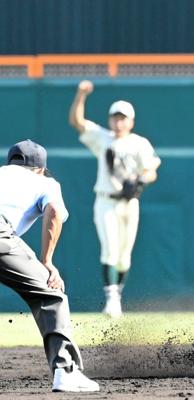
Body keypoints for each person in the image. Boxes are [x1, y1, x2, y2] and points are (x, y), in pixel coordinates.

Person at [0, 140, 100, 392]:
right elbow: (54, 211)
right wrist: (47, 262)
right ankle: (66, 371)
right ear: (40, 168)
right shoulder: (45, 182)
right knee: (51, 294)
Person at [69, 80, 161, 318]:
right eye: (115, 117)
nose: (119, 122)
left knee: (124, 256)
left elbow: (152, 170)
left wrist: (140, 181)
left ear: (131, 121)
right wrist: (80, 94)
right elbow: (77, 122)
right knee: (109, 249)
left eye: (123, 118)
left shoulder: (140, 143)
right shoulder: (103, 138)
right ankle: (112, 299)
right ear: (110, 119)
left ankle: (116, 295)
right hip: (106, 200)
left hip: (129, 203)